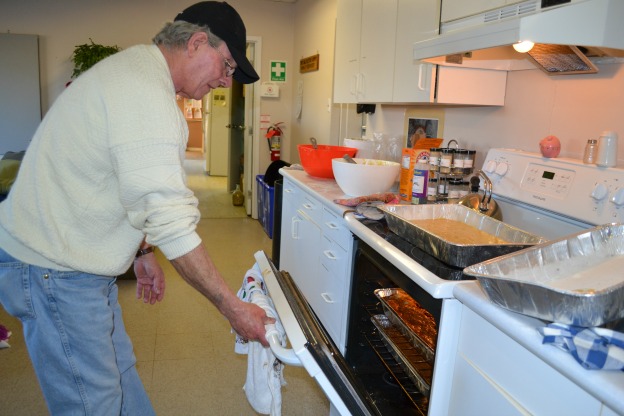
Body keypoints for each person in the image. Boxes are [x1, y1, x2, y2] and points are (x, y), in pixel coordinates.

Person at [0, 2, 272, 415]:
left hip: (79, 262)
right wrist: (232, 308)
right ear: (198, 42)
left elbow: (130, 184)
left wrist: (141, 251)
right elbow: (171, 219)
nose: (225, 80)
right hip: (54, 268)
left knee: (120, 377)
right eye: (227, 65)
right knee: (93, 402)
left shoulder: (139, 75)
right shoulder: (143, 92)